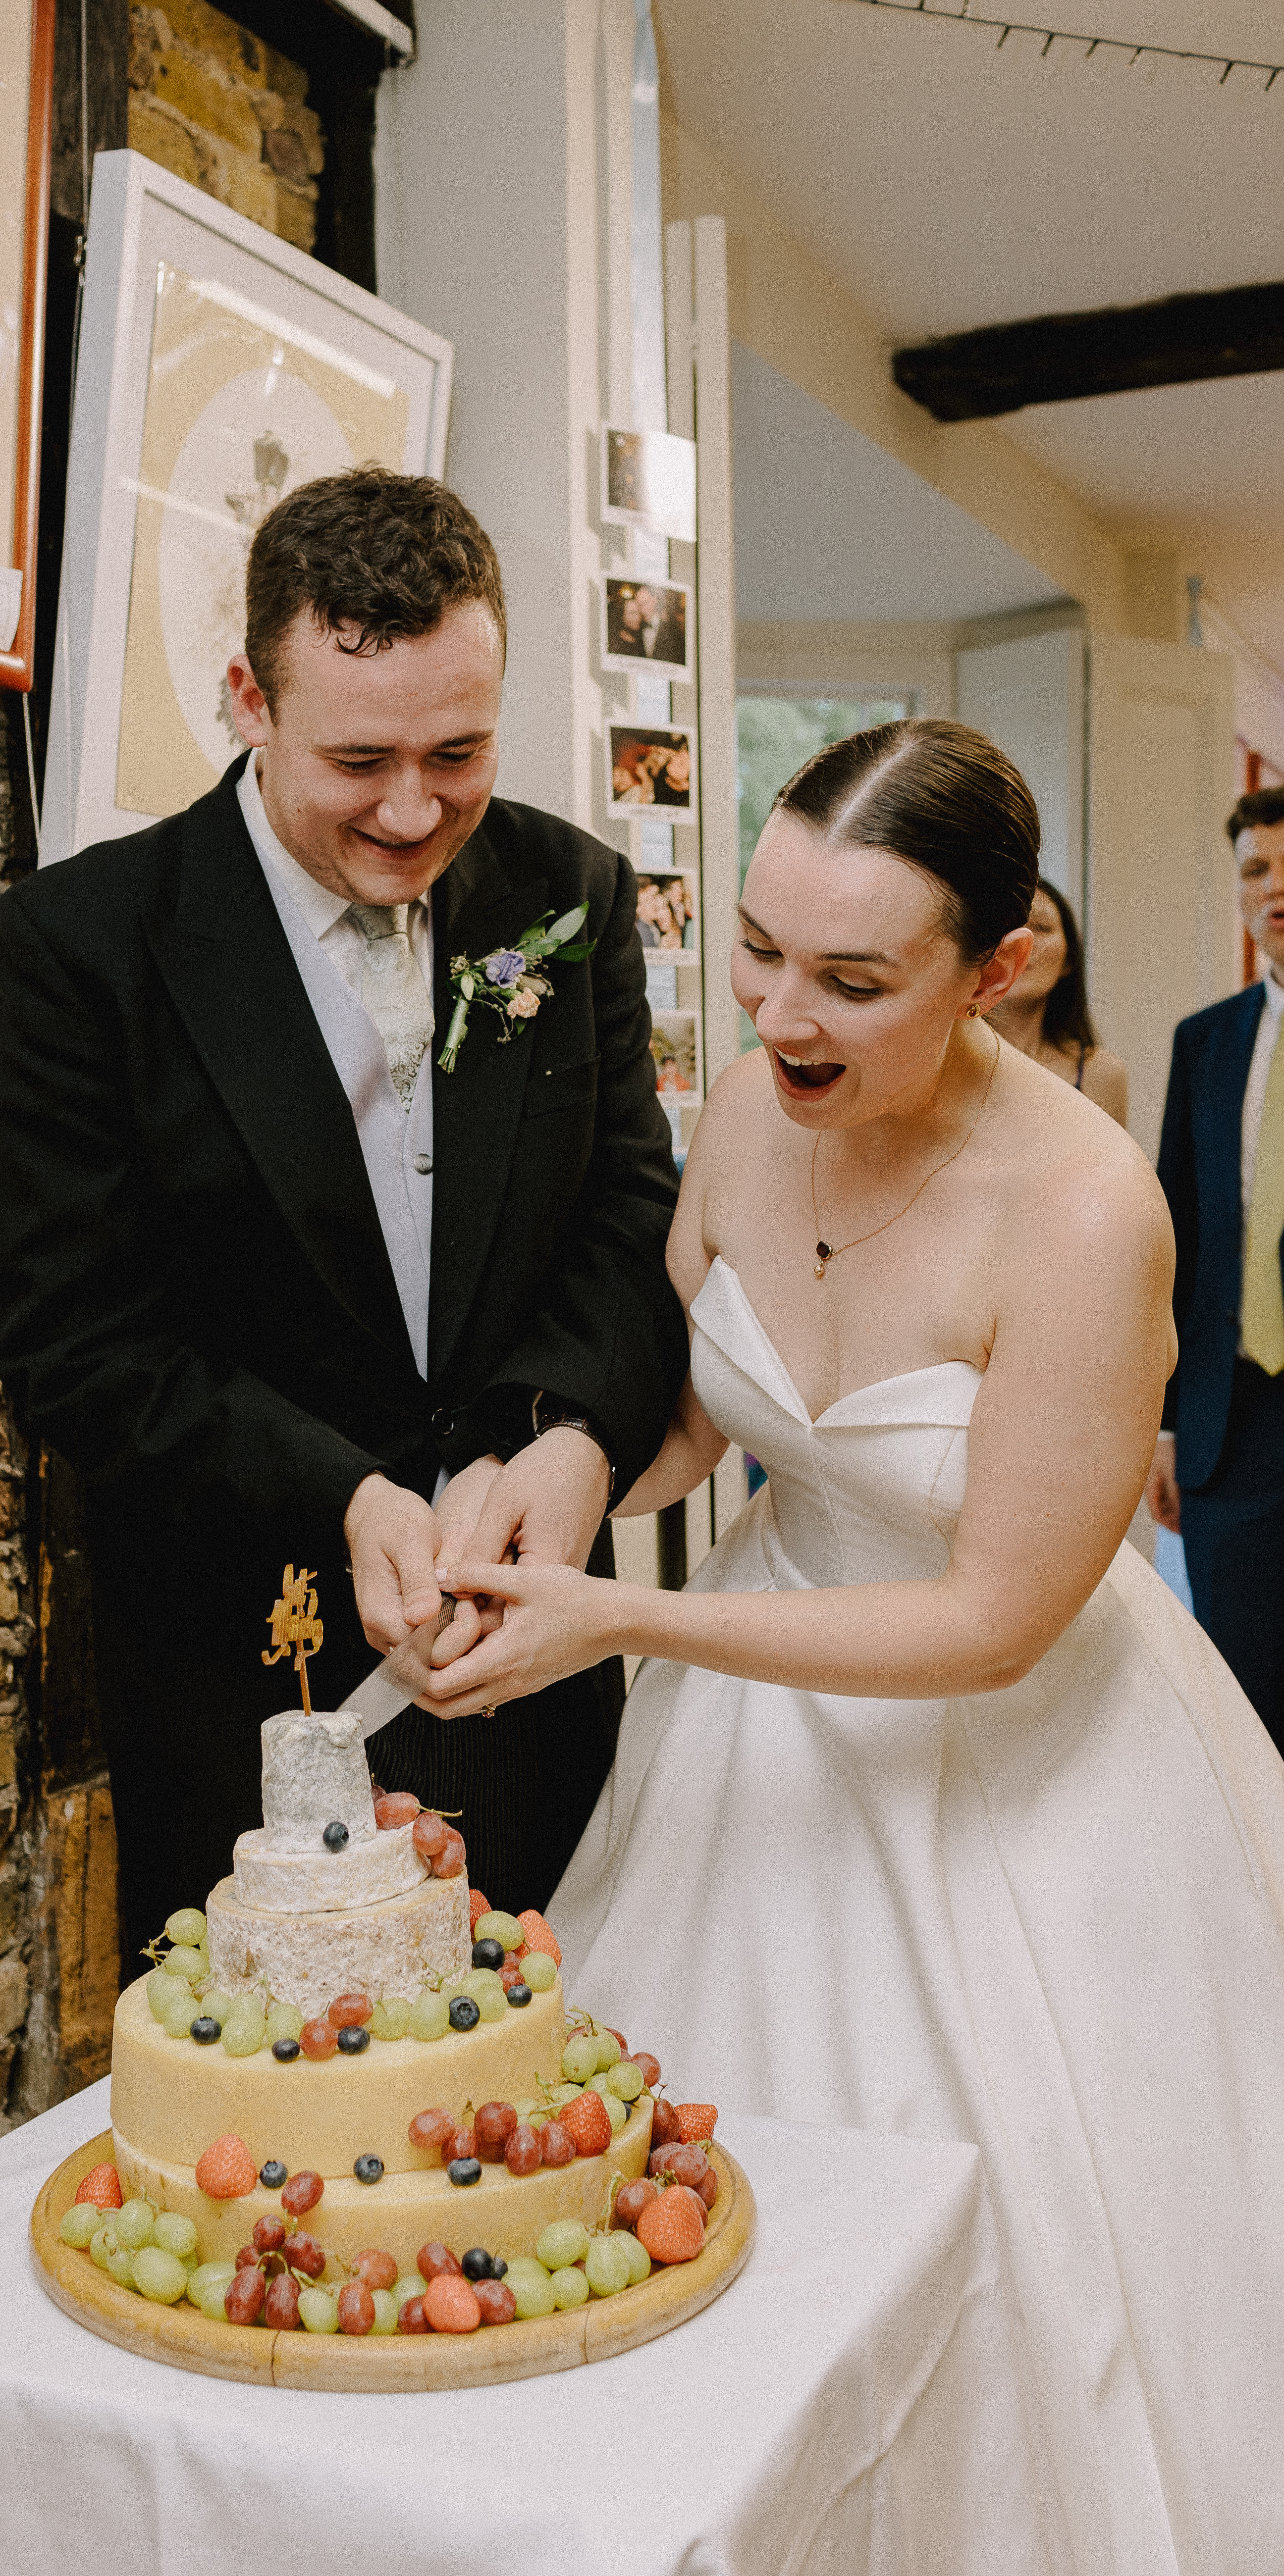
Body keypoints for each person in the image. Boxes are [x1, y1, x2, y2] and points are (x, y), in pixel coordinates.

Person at [424, 720, 1284, 2576]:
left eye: (851, 979)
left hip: (1015, 1769)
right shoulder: (746, 1108)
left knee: (1014, 2259)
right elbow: (709, 1417)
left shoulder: (1081, 1210)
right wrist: (551, 1491)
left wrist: (627, 1616)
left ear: (998, 968)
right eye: (756, 948)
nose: (781, 1014)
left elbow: (989, 1620)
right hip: (740, 1728)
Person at [0, 465, 685, 1944]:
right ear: (248, 698)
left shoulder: (572, 897)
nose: (415, 808)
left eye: (460, 750)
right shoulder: (90, 945)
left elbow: (628, 1224)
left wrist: (569, 1447)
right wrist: (342, 1493)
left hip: (530, 1633)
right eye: (360, 760)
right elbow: (78, 1342)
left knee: (555, 2083)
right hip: (248, 1657)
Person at [1146, 785, 1284, 1754]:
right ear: (1239, 896)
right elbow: (1178, 1238)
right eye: (1257, 871)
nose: (1277, 889)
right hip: (1229, 1422)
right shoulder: (1206, 1043)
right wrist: (1160, 1420)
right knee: (1240, 1688)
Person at [988, 878, 1127, 1124]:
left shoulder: (1101, 1074)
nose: (1024, 941)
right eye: (1007, 925)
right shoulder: (936, 1061)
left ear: (1068, 960)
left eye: (1041, 927)